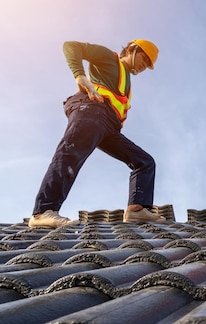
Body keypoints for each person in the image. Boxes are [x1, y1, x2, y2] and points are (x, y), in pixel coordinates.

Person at [28, 39, 166, 228]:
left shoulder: (127, 82)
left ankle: (136, 209)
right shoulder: (109, 58)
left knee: (145, 162)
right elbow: (71, 46)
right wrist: (80, 76)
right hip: (92, 109)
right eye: (145, 59)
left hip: (108, 126)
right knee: (71, 153)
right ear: (133, 50)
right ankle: (43, 211)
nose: (145, 66)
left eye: (149, 65)